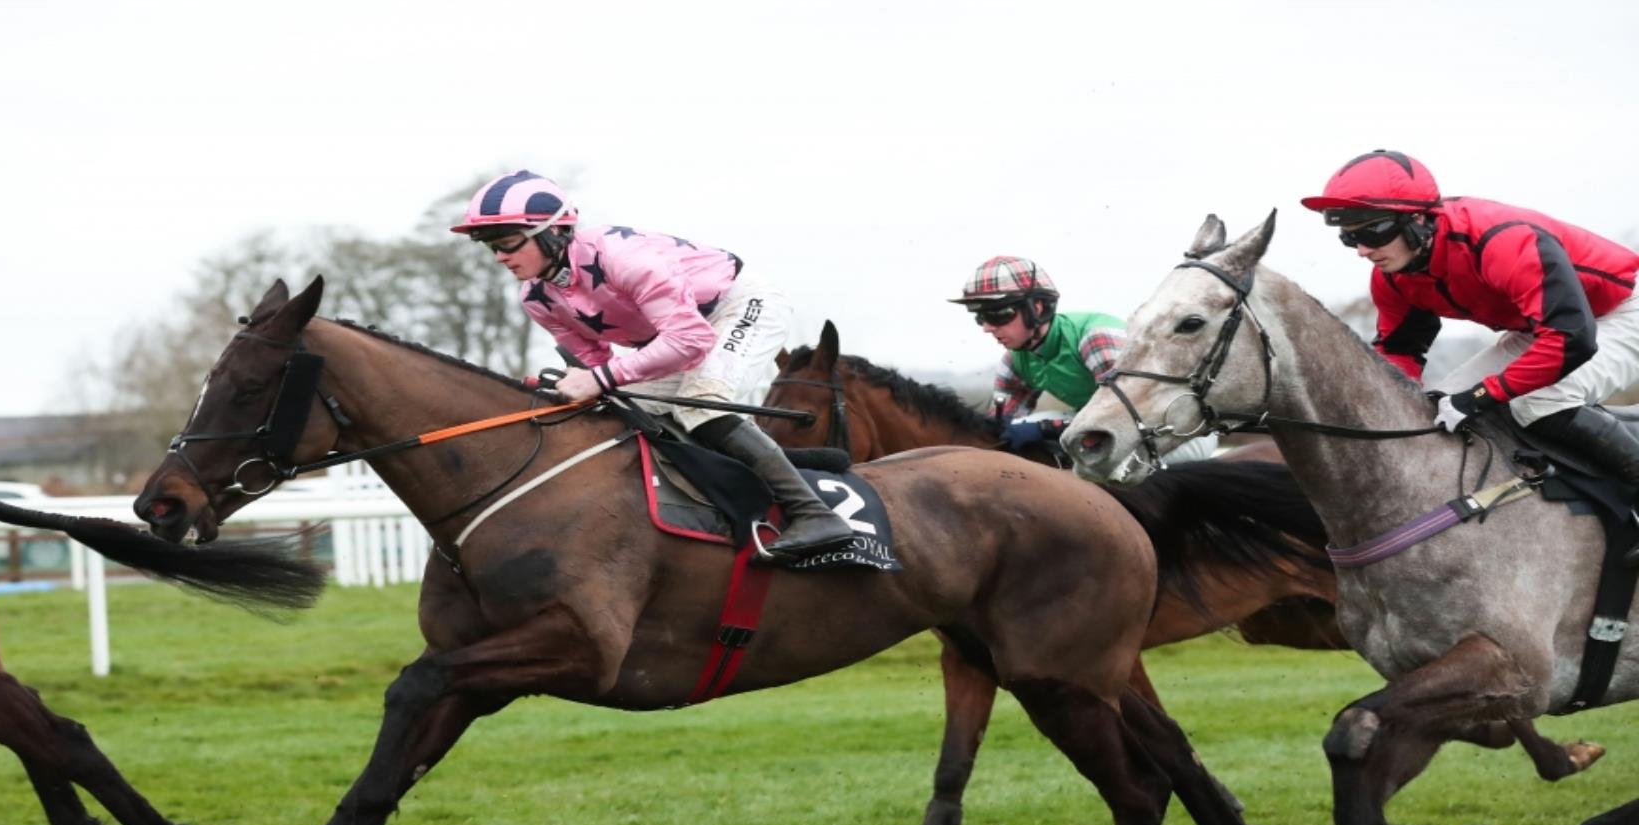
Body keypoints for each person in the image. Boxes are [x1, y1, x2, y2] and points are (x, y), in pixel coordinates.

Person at [452, 170, 852, 562]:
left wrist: (600, 379)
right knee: (623, 409)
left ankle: (815, 513)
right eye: (492, 247)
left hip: (738, 307)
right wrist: (579, 387)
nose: (501, 257)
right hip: (675, 337)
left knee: (700, 401)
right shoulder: (537, 298)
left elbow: (688, 340)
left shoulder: (623, 258)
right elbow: (598, 367)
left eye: (508, 243)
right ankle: (745, 488)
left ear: (554, 231)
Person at [1301, 149, 1639, 482]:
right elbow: (1400, 351)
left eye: (1372, 232)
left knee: (1539, 400)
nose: (1362, 250)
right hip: (1545, 326)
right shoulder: (1393, 275)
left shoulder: (1502, 241)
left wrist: (1482, 395)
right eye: (1349, 237)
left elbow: (1571, 340)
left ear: (1418, 219)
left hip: (1621, 311)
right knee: (1439, 408)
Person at [948, 255, 1217, 463]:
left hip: (1175, 432)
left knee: (1081, 451)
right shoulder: (1015, 360)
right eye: (980, 317)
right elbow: (1000, 425)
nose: (987, 327)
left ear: (1037, 307)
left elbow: (1122, 417)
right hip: (1111, 427)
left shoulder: (1095, 339)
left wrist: (1044, 428)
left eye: (997, 315)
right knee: (1020, 430)